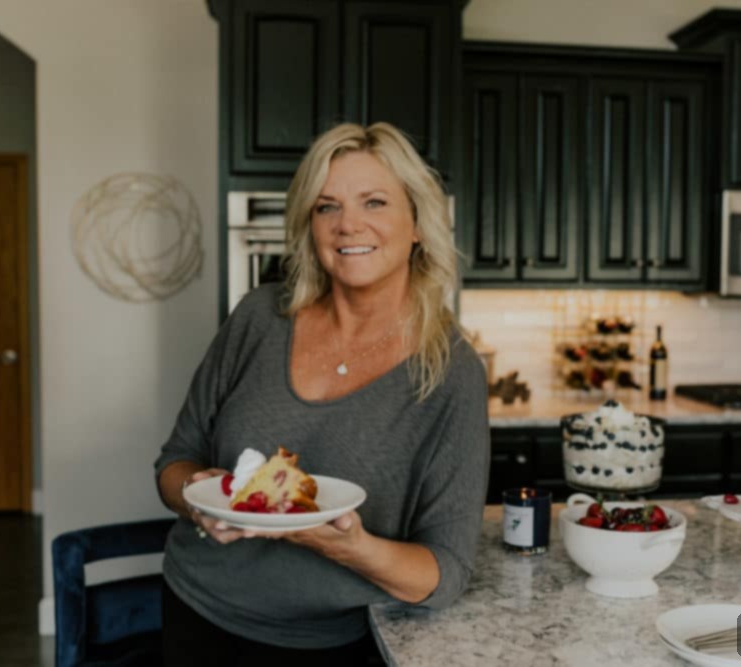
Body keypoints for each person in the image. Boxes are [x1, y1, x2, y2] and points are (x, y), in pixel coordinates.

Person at [154, 122, 490, 666]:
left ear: (419, 224)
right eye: (325, 206)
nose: (347, 225)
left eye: (374, 201)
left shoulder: (451, 372)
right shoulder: (259, 318)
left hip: (333, 645)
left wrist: (350, 548)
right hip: (197, 612)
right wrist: (198, 499)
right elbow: (173, 463)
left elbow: (444, 573)